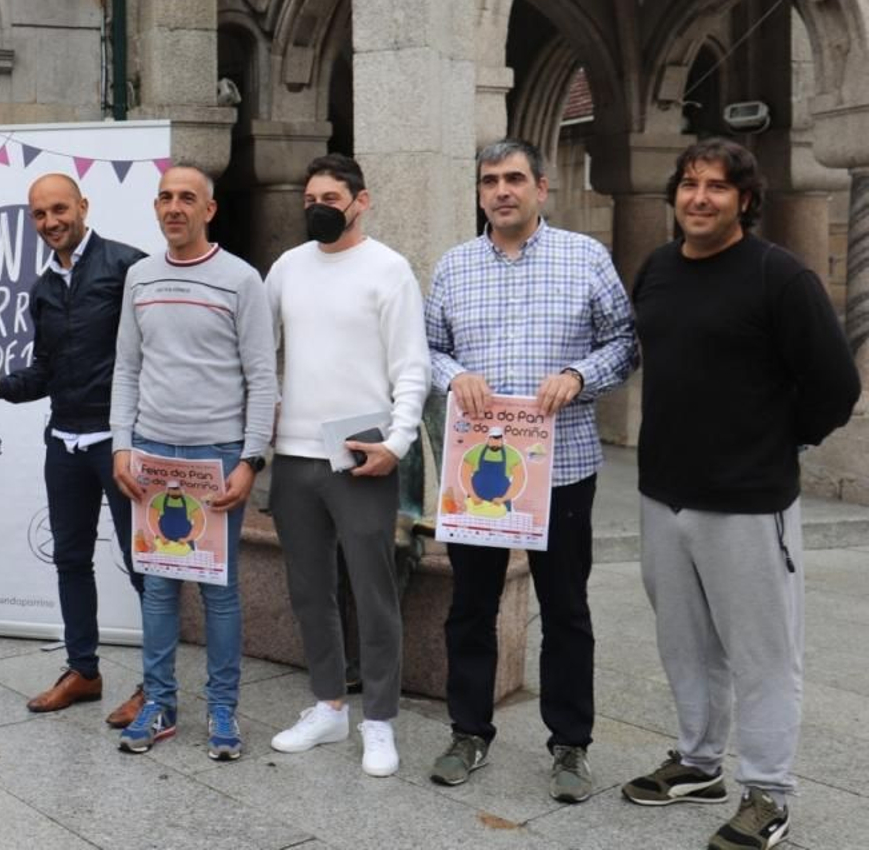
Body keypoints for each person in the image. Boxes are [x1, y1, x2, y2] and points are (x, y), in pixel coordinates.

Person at [624, 138, 859, 850]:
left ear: (745, 200)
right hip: (664, 494)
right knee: (685, 645)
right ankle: (699, 762)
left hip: (749, 502)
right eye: (690, 184)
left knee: (763, 654)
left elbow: (836, 387)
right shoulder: (659, 268)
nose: (700, 198)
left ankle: (769, 791)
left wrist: (777, 442)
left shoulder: (780, 278)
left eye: (718, 187)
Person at [423, 139, 637, 802]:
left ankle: (570, 745)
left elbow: (625, 341)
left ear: (542, 187)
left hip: (563, 466)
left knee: (567, 610)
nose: (502, 190)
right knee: (471, 606)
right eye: (490, 180)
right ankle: (468, 730)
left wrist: (579, 374)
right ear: (480, 191)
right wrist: (455, 375)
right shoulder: (454, 267)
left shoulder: (585, 259)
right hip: (476, 476)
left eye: (514, 178)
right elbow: (427, 348)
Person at [264, 154, 429, 778]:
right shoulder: (286, 267)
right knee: (309, 591)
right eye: (310, 197)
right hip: (295, 453)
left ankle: (380, 721)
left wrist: (398, 440)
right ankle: (329, 705)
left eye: (331, 197)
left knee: (373, 589)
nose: (319, 207)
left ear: (362, 201)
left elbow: (411, 365)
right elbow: (260, 346)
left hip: (362, 451)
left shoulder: (389, 270)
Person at [109, 163, 276, 760]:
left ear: (209, 210)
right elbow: (127, 369)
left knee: (220, 590)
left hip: (216, 455)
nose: (174, 207)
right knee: (157, 589)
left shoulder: (240, 280)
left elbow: (262, 376)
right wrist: (122, 445)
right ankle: (160, 704)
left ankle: (223, 707)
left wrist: (251, 459)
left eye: (187, 198)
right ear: (156, 209)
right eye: (165, 198)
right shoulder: (139, 278)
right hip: (153, 454)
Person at [0, 172, 148, 726]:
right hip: (64, 439)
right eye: (39, 215)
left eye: (60, 209)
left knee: (142, 564)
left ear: (83, 205)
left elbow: (153, 354)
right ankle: (83, 670)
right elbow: (46, 372)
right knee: (70, 560)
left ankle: (156, 684)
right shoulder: (43, 288)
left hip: (120, 442)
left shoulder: (128, 266)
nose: (51, 222)